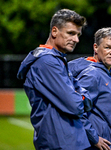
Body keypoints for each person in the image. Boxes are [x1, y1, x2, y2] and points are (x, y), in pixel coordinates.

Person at [17, 9, 93, 150]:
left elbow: (79, 97)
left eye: (78, 35)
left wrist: (79, 97)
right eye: (71, 33)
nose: (76, 39)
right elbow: (75, 105)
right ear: (54, 31)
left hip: (68, 141)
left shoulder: (57, 60)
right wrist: (81, 97)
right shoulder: (47, 62)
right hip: (60, 143)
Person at [68, 27, 111, 150]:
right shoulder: (93, 75)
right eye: (107, 47)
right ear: (95, 47)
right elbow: (75, 108)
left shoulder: (104, 73)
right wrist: (94, 137)